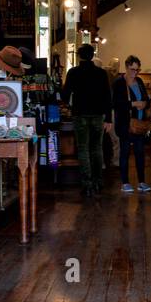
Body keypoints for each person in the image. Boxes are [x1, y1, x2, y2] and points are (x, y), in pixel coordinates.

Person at [61, 43, 112, 197]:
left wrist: (70, 101)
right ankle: (98, 181)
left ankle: (87, 183)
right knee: (97, 148)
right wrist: (108, 118)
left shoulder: (73, 72)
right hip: (98, 116)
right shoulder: (101, 73)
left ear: (78, 56)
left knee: (83, 149)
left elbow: (65, 95)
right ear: (93, 55)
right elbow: (107, 97)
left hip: (80, 114)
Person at [108, 54, 151, 193]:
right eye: (133, 69)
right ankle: (125, 182)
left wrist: (144, 103)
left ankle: (142, 182)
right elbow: (115, 103)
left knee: (140, 153)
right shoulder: (119, 83)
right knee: (125, 153)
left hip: (138, 124)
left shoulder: (139, 81)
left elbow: (146, 98)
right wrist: (133, 104)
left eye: (137, 70)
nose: (135, 73)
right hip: (125, 125)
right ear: (126, 67)